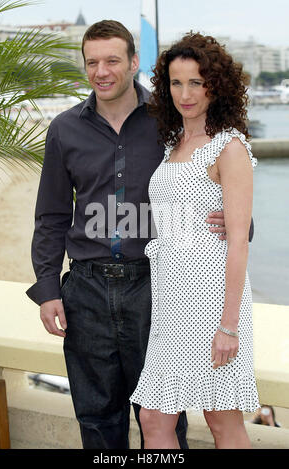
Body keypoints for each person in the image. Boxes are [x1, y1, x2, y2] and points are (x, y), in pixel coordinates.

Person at [26, 20, 241, 449]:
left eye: (111, 60)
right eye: (92, 62)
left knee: (161, 418)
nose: (101, 71)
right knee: (96, 415)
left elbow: (207, 181)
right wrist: (49, 288)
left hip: (156, 286)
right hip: (85, 290)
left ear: (132, 61)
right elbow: (51, 215)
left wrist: (236, 221)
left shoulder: (171, 120)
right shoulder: (65, 130)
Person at [130, 32, 260, 449]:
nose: (184, 94)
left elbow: (238, 241)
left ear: (215, 86)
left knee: (221, 420)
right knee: (153, 417)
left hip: (212, 305)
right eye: (175, 82)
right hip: (171, 301)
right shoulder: (173, 143)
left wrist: (228, 326)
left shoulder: (230, 147)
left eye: (196, 83)